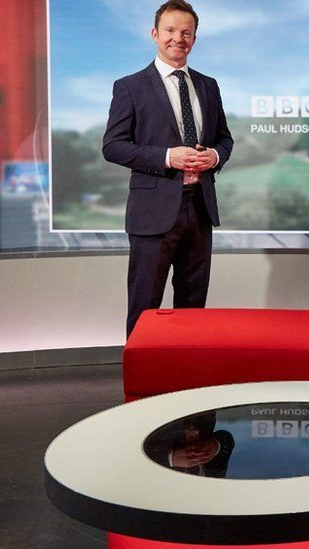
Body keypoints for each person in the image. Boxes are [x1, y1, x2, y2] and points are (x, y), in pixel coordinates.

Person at [102, 0, 233, 336]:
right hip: (153, 214)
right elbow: (113, 146)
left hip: (200, 209)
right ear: (155, 34)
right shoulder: (130, 86)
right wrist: (167, 157)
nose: (179, 38)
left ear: (195, 37)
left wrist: (214, 157)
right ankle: (141, 381)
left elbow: (224, 139)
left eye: (187, 32)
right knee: (145, 305)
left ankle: (185, 379)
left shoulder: (208, 85)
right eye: (171, 30)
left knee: (193, 305)